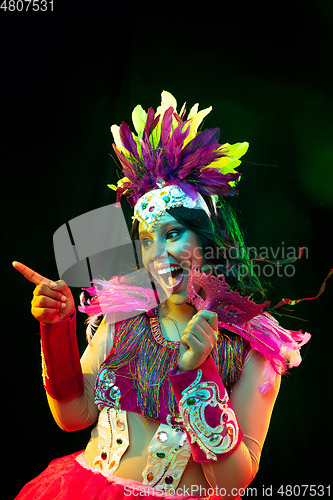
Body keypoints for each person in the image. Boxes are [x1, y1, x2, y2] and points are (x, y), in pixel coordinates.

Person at [13, 91, 310, 500]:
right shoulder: (124, 314)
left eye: (172, 235)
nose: (158, 255)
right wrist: (55, 326)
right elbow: (72, 415)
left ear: (209, 239)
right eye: (147, 240)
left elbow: (232, 483)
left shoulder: (253, 345)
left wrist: (197, 372)